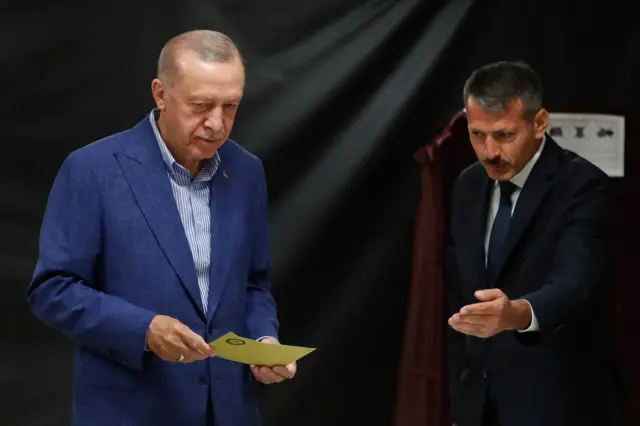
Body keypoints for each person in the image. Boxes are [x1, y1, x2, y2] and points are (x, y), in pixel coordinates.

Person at [26, 30, 295, 426]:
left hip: (229, 410)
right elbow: (52, 289)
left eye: (231, 106)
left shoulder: (246, 171)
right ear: (160, 93)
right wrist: (144, 329)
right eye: (201, 105)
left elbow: (253, 283)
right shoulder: (92, 169)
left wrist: (263, 341)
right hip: (130, 410)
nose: (217, 124)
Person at [445, 61, 622, 426]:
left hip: (554, 402)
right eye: (477, 135)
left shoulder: (583, 185)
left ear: (539, 123)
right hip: (478, 403)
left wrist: (518, 314)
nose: (489, 151)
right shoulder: (468, 185)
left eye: (504, 135)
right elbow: (459, 292)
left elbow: (574, 285)